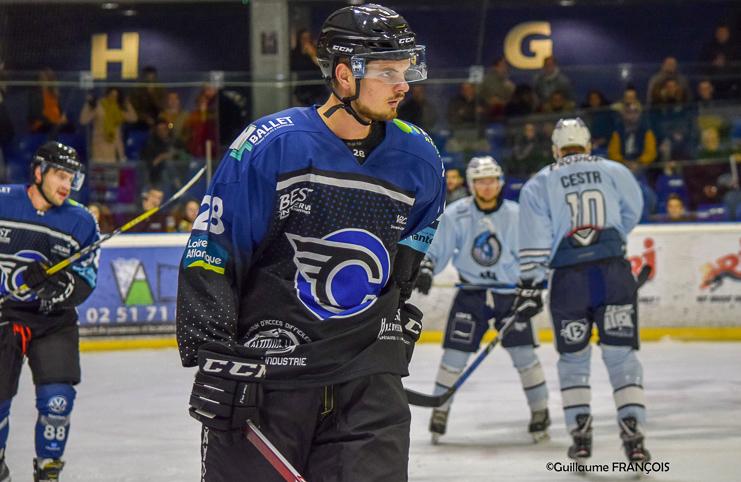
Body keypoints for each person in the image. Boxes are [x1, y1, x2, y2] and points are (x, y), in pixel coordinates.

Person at [176, 4, 445, 481]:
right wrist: (213, 349)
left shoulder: (419, 158)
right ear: (344, 75)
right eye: (388, 72)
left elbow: (408, 252)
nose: (403, 85)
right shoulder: (272, 145)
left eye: (405, 70)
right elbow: (214, 249)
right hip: (269, 376)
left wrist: (395, 315)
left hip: (368, 382)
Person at [513, 118, 649, 463]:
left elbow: (535, 240)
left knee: (574, 358)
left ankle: (581, 435)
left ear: (555, 150)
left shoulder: (540, 182)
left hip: (569, 280)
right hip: (613, 274)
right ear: (588, 146)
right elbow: (632, 212)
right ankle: (633, 433)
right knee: (621, 354)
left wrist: (530, 283)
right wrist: (608, 243)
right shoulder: (614, 170)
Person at [414, 156, 550, 444]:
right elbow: (438, 246)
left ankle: (540, 411)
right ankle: (440, 411)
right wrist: (426, 267)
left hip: (510, 295)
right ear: (471, 184)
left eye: (491, 180)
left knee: (525, 356)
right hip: (471, 294)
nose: (487, 186)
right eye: (480, 181)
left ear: (500, 182)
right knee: (453, 356)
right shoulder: (457, 213)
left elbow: (534, 253)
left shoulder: (518, 214)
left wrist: (534, 284)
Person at [0, 142, 99, 482]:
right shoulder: (3, 202)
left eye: (71, 178)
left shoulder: (81, 222)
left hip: (53, 318)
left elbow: (86, 281)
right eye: (60, 175)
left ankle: (48, 468)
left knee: (57, 402)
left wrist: (58, 286)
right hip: (5, 314)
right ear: (38, 172)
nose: (66, 185)